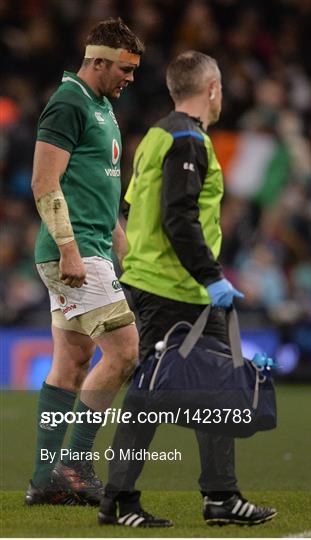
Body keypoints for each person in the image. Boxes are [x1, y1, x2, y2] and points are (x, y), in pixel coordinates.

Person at [98, 51, 277, 527]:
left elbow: (135, 206)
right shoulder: (187, 139)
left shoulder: (158, 136)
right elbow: (179, 218)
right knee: (151, 393)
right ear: (213, 88)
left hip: (169, 286)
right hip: (174, 289)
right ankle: (119, 499)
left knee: (214, 392)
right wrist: (212, 277)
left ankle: (220, 497)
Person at [25, 18, 144, 506]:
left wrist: (118, 236)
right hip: (73, 252)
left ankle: (44, 479)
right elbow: (44, 182)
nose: (130, 78)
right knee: (124, 352)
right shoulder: (69, 101)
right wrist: (71, 248)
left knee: (72, 364)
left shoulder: (102, 106)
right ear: (98, 61)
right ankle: (74, 464)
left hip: (95, 244)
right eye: (125, 68)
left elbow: (97, 182)